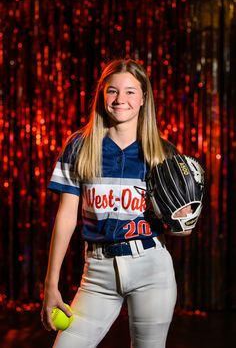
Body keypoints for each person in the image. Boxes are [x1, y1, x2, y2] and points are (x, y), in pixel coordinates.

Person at [41, 58, 192, 348]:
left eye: (130, 91)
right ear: (102, 95)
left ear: (143, 98)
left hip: (151, 269)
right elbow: (66, 217)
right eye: (112, 91)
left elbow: (181, 230)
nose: (120, 99)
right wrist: (50, 284)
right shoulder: (79, 146)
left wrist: (183, 220)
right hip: (97, 272)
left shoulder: (163, 154)